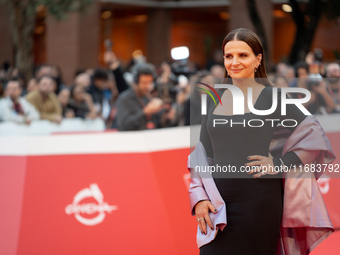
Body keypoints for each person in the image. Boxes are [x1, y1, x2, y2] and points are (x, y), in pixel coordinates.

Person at [188, 28, 336, 255]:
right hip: (218, 206)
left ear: (258, 59)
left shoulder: (272, 97)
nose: (234, 62)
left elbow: (314, 135)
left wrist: (279, 163)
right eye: (229, 56)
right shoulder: (214, 97)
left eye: (242, 55)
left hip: (258, 203)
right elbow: (201, 155)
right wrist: (199, 199)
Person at [115, 63, 171, 131]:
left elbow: (156, 124)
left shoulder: (149, 97)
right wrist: (145, 112)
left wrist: (164, 115)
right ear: (136, 81)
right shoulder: (124, 98)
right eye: (144, 83)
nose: (147, 86)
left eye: (149, 82)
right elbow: (123, 126)